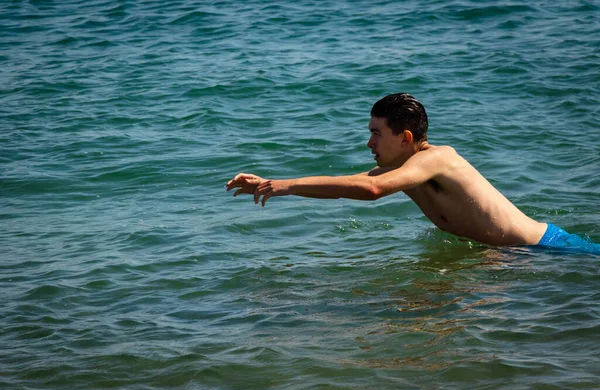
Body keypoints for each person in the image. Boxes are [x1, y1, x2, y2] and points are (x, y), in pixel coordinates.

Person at [226, 93, 599, 253]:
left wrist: (285, 185)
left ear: (405, 138)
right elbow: (351, 185)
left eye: (376, 134)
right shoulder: (405, 166)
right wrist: (273, 184)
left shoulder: (436, 158)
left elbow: (373, 191)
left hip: (548, 250)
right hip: (510, 255)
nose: (369, 144)